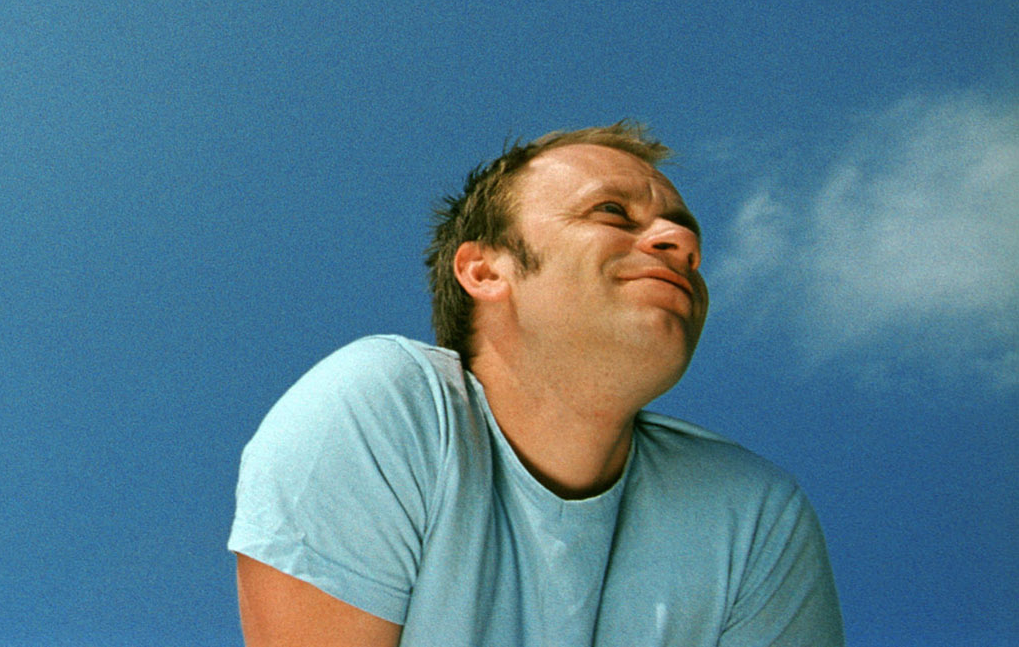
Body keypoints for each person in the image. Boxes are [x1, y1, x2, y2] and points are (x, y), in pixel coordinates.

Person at [230, 123, 844, 647]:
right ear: (485, 270)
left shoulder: (754, 513)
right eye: (612, 212)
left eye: (686, 235)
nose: (682, 244)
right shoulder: (384, 407)